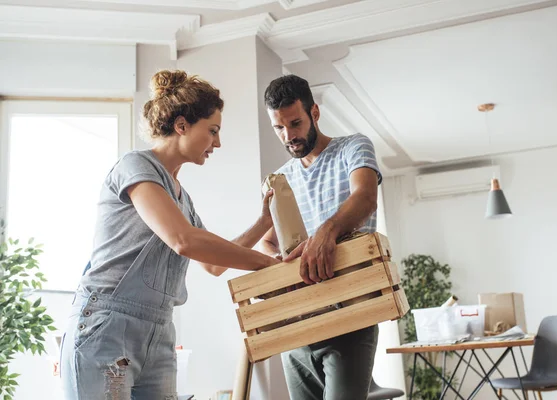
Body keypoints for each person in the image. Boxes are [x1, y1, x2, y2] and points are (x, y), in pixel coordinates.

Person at [60, 70, 279, 400]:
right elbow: (183, 240)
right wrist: (269, 265)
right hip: (107, 325)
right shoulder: (135, 166)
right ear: (181, 126)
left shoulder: (182, 199)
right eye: (213, 131)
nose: (217, 143)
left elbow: (213, 264)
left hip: (159, 332)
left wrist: (264, 222)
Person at [258, 74, 382, 400]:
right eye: (279, 128)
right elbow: (269, 241)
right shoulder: (282, 178)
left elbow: (366, 197)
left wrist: (327, 231)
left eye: (295, 123)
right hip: (300, 322)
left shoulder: (353, 147)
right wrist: (280, 268)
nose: (289, 135)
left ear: (314, 112)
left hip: (352, 313)